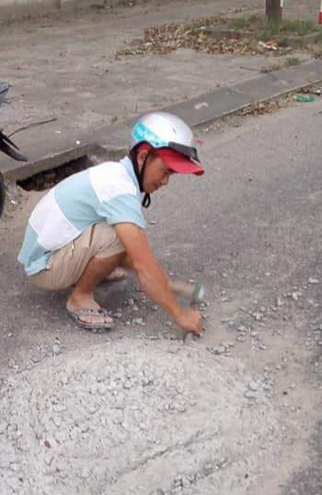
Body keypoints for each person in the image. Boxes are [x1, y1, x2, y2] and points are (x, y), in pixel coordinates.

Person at [18, 111, 204, 334]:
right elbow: (143, 264)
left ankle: (94, 268)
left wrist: (163, 281)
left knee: (123, 238)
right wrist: (181, 315)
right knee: (118, 237)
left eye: (171, 175)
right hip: (44, 266)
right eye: (165, 171)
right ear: (143, 157)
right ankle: (80, 298)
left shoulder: (116, 173)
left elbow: (139, 261)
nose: (165, 181)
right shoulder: (120, 191)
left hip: (48, 251)